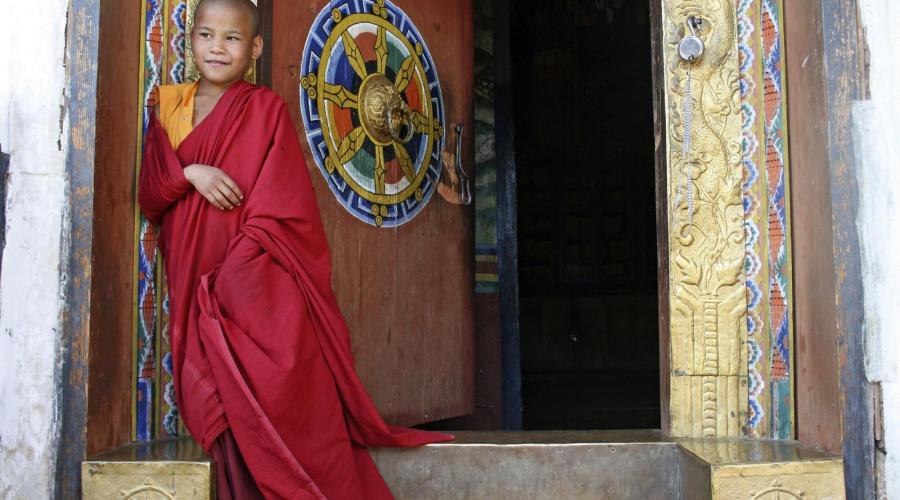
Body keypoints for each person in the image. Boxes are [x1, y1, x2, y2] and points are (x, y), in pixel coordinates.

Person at [138, 0, 453, 498]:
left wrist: (236, 276)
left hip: (240, 282)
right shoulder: (169, 105)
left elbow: (282, 208)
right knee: (212, 401)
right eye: (206, 35)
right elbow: (151, 192)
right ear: (189, 40)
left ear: (255, 47)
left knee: (273, 389)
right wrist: (190, 174)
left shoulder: (264, 110)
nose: (217, 47)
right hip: (190, 266)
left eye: (233, 38)